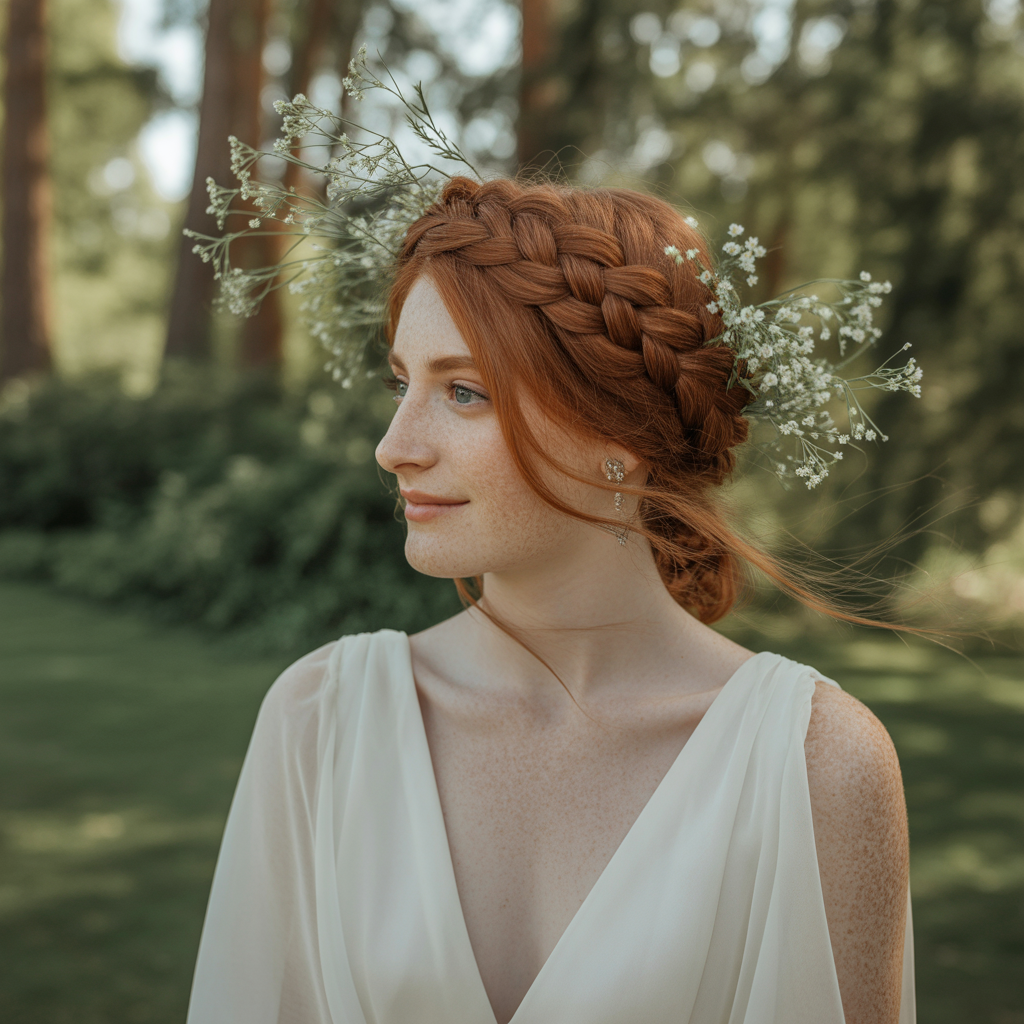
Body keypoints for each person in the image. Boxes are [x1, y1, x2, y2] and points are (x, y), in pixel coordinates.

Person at [186, 177, 915, 1024]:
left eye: (464, 391)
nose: (394, 448)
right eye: (401, 384)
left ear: (623, 431)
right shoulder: (320, 721)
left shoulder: (816, 767)